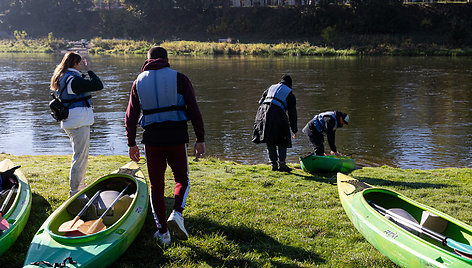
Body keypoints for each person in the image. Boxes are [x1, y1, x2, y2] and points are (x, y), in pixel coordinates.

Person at [125, 46, 205, 247]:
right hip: (176, 138)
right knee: (182, 179)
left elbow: (130, 116)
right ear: (166, 59)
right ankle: (177, 214)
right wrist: (200, 138)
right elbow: (194, 110)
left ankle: (163, 233)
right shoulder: (180, 78)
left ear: (148, 59)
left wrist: (131, 143)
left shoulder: (138, 82)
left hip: (152, 140)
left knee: (156, 186)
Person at [50, 52, 104, 197]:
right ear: (75, 64)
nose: (81, 66)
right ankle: (75, 192)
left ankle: (80, 187)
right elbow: (98, 85)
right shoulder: (73, 79)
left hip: (72, 121)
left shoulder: (64, 76)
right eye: (80, 64)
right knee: (80, 156)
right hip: (78, 121)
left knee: (80, 155)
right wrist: (90, 70)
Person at [252, 75, 297, 172]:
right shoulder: (289, 93)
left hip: (262, 112)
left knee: (269, 139)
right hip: (277, 113)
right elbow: (292, 114)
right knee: (283, 139)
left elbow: (261, 101)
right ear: (290, 84)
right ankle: (282, 165)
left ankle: (273, 165)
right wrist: (294, 130)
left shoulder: (271, 87)